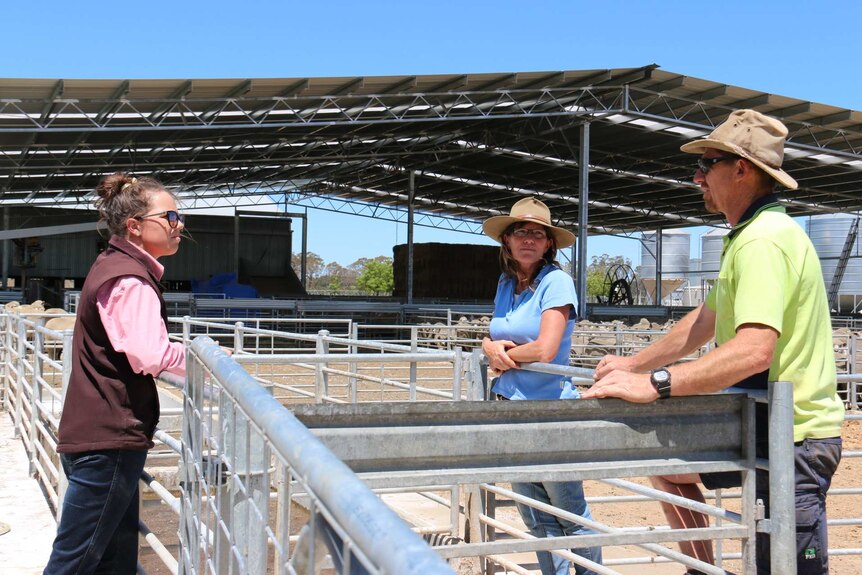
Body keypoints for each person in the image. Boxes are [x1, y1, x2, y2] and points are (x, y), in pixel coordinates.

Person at [583, 109, 844, 575]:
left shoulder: (763, 241)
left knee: (783, 565)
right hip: (761, 425)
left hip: (792, 437)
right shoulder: (749, 236)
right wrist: (634, 364)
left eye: (707, 165)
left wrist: (656, 384)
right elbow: (705, 320)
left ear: (741, 169)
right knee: (669, 467)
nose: (696, 176)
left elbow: (754, 349)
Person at [44, 173, 187, 575]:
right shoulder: (129, 278)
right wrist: (205, 364)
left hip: (97, 435)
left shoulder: (112, 264)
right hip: (109, 439)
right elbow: (150, 353)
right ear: (135, 226)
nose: (180, 224)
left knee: (113, 558)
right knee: (76, 560)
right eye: (171, 215)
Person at [481, 197, 602, 575]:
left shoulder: (557, 281)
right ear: (508, 241)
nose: (529, 239)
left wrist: (502, 357)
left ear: (549, 243)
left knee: (568, 511)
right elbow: (497, 333)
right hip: (510, 405)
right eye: (522, 232)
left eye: (538, 234)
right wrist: (489, 347)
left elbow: (547, 349)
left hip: (549, 409)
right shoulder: (506, 282)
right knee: (534, 513)